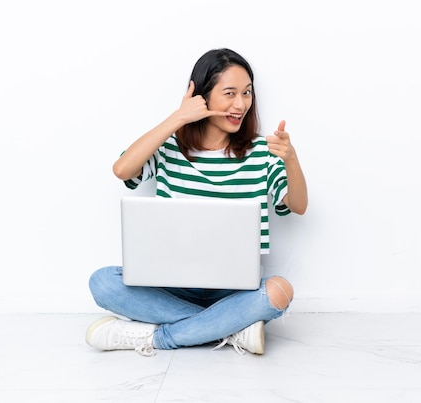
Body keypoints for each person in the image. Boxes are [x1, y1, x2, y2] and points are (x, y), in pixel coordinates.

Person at [85, 48, 308, 357]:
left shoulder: (260, 152)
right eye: (229, 93)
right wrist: (178, 118)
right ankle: (229, 328)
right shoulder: (170, 149)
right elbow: (122, 169)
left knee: (280, 291)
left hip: (232, 291)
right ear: (202, 97)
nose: (241, 104)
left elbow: (297, 205)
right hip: (170, 284)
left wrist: (291, 159)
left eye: (247, 93)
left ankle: (156, 338)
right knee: (102, 283)